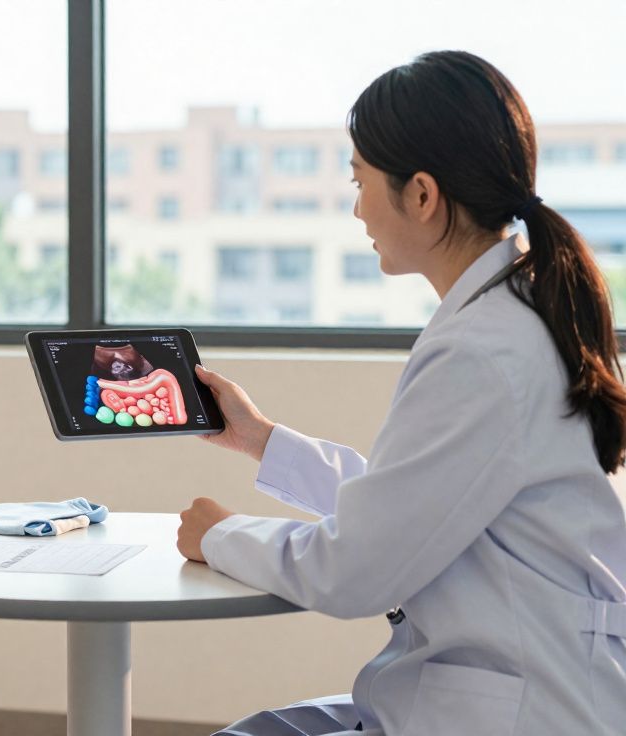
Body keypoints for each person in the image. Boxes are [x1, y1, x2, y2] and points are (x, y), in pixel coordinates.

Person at [176, 50, 626, 735]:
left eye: (360, 182)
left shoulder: (482, 351)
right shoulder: (522, 314)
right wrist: (260, 440)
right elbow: (415, 505)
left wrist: (223, 536)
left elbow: (355, 569)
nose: (357, 210)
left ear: (421, 194)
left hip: (521, 709)